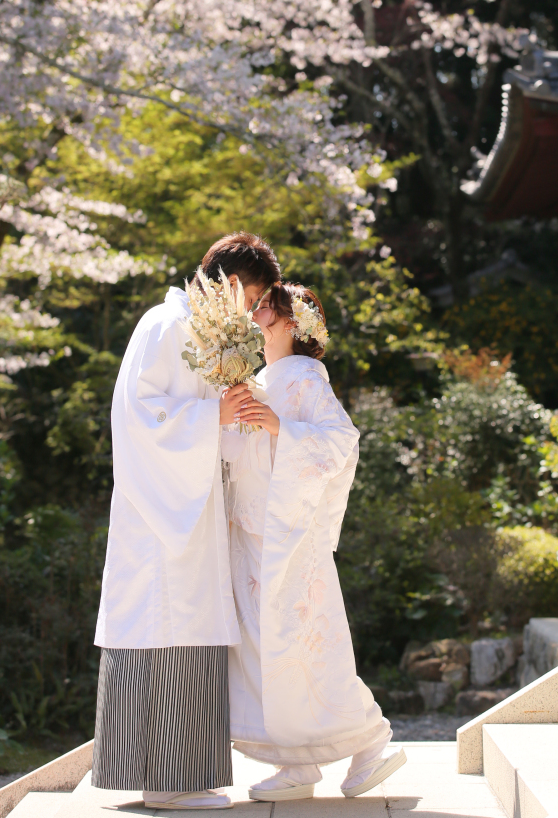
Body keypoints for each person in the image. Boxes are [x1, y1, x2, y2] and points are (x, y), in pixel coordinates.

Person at [92, 232, 281, 809]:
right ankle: (166, 783)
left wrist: (230, 414)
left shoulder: (197, 331)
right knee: (167, 629)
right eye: (250, 299)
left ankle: (183, 776)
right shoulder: (164, 324)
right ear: (226, 282)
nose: (250, 313)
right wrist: (212, 414)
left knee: (190, 633)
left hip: (189, 509)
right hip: (161, 517)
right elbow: (137, 419)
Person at [221, 283, 406, 802]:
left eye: (265, 310)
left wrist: (282, 427)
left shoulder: (303, 378)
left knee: (307, 644)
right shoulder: (262, 379)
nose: (255, 316)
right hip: (256, 532)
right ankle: (296, 763)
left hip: (290, 536)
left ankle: (370, 740)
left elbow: (340, 439)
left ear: (290, 325)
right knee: (268, 649)